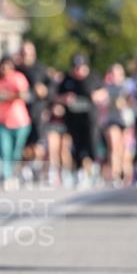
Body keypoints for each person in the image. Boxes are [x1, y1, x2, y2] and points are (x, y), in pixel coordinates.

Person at [0, 55, 31, 185]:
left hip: (19, 121)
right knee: (5, 149)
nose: (4, 70)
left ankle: (14, 173)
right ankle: (6, 175)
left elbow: (24, 95)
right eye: (2, 67)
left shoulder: (18, 78)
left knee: (16, 151)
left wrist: (8, 95)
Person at [58, 54, 107, 186]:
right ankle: (79, 173)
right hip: (73, 119)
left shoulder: (94, 77)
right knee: (77, 146)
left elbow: (104, 92)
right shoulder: (67, 79)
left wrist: (97, 96)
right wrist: (65, 98)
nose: (78, 71)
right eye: (76, 68)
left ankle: (94, 171)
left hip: (90, 119)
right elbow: (56, 96)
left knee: (92, 144)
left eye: (81, 67)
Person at [15, 40, 50, 177]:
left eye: (29, 53)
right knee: (23, 145)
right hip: (19, 113)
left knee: (38, 145)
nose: (26, 56)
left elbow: (52, 88)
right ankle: (25, 169)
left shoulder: (41, 69)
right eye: (23, 53)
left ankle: (36, 168)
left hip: (37, 112)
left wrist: (45, 91)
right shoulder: (16, 70)